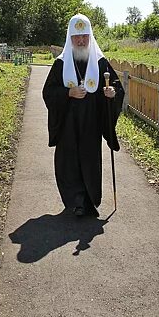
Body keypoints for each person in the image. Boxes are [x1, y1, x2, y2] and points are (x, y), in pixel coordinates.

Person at [42, 13, 124, 217]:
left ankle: (88, 202)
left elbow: (116, 87)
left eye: (84, 36)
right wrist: (68, 92)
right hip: (68, 124)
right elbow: (48, 92)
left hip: (91, 123)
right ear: (70, 38)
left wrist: (111, 94)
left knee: (89, 161)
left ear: (90, 37)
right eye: (77, 37)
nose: (80, 41)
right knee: (68, 162)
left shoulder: (100, 63)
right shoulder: (61, 64)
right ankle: (75, 201)